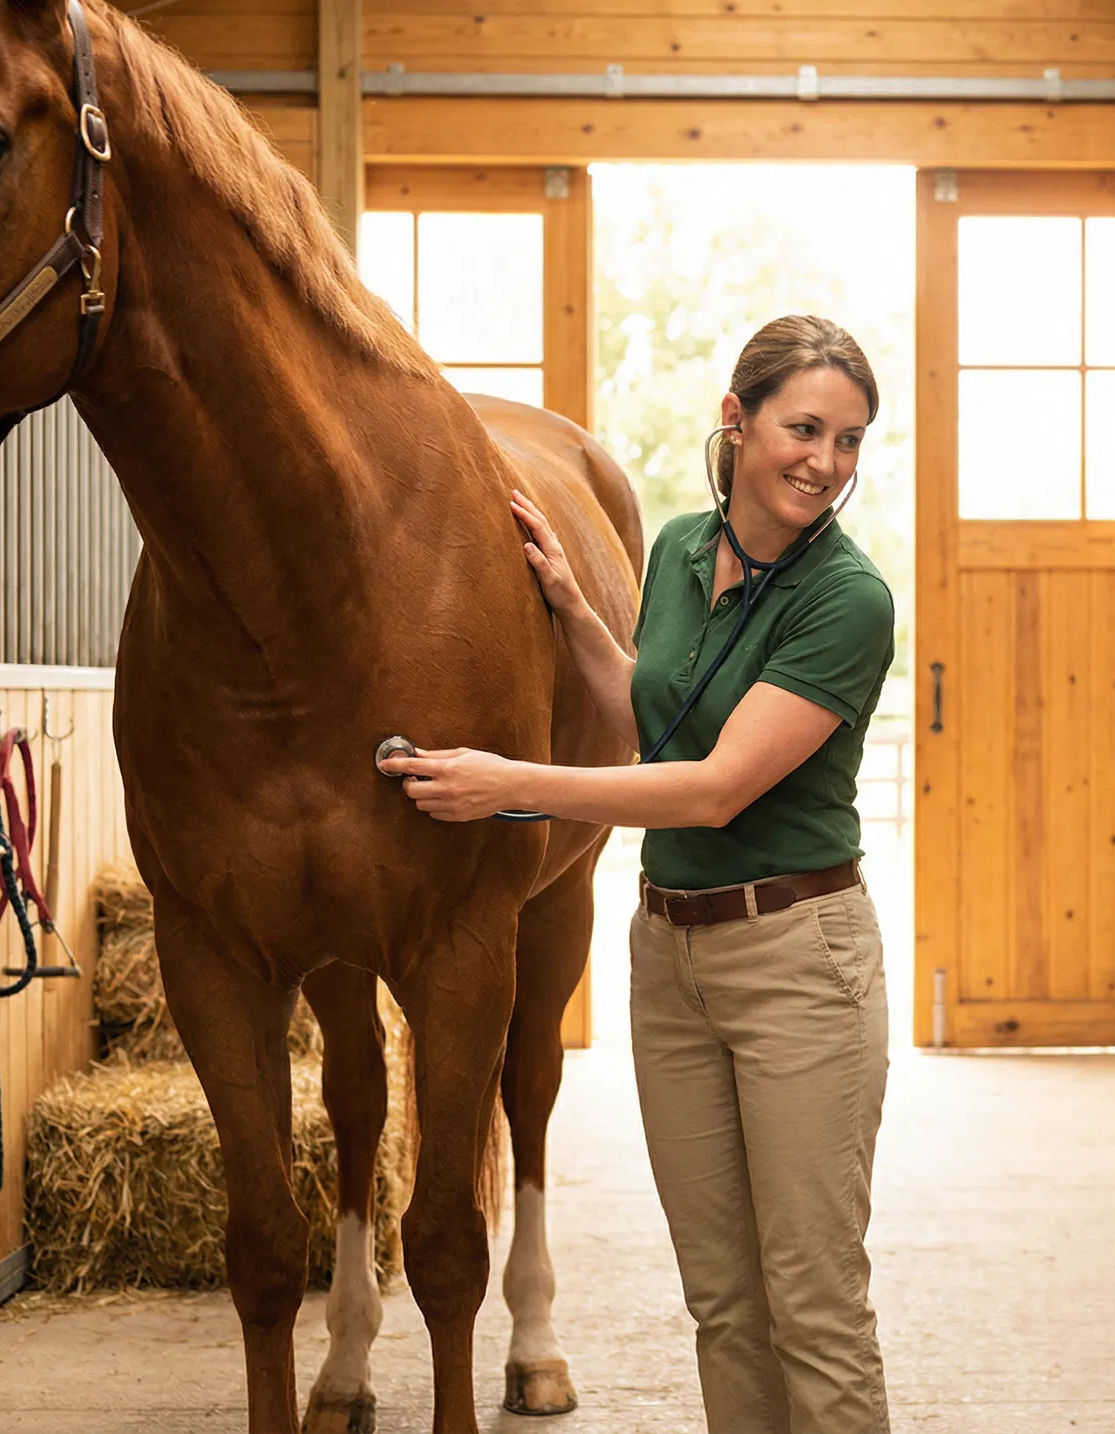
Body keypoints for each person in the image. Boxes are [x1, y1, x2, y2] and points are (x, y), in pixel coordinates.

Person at [381, 315, 896, 1434]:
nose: (827, 461)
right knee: (720, 1303)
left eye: (850, 439)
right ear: (737, 420)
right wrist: (573, 610)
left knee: (814, 1303)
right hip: (670, 957)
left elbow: (710, 789)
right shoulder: (672, 551)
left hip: (795, 962)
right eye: (804, 428)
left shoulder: (846, 600)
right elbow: (651, 718)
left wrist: (511, 782)